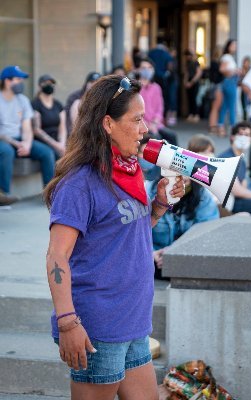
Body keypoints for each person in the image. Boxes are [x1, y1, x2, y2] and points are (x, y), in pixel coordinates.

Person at [43, 75, 185, 399]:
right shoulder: (80, 184)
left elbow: (125, 236)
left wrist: (159, 206)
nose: (144, 129)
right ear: (108, 124)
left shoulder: (130, 171)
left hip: (133, 319)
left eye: (144, 119)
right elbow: (56, 256)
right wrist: (67, 323)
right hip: (99, 324)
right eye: (136, 119)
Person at [147, 134, 219, 280]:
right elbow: (135, 234)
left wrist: (174, 251)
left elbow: (205, 234)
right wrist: (151, 254)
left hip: (187, 260)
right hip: (151, 260)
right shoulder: (148, 192)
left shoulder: (203, 198)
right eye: (176, 173)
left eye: (186, 174)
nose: (182, 179)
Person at [0, 65, 55, 205]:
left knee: (46, 152)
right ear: (7, 81)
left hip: (20, 140)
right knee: (6, 152)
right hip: (4, 140)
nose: (21, 83)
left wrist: (27, 143)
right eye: (18, 79)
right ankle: (3, 195)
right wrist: (15, 143)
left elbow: (27, 127)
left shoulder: (22, 100)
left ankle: (50, 195)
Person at [138, 58, 178, 145]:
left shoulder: (156, 87)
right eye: (144, 68)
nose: (147, 70)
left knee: (172, 136)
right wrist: (147, 124)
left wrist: (155, 122)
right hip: (141, 125)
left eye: (149, 68)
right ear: (139, 69)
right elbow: (134, 111)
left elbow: (159, 108)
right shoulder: (135, 88)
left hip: (156, 124)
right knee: (157, 139)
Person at [31, 74, 67, 158]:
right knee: (51, 154)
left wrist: (62, 143)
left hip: (58, 140)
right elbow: (36, 130)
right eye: (46, 83)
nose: (49, 85)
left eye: (51, 83)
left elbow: (62, 127)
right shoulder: (35, 104)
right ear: (40, 86)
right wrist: (56, 145)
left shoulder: (58, 105)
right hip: (42, 141)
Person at [217, 39, 239, 136]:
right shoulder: (227, 57)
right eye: (233, 45)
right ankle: (233, 128)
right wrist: (233, 72)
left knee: (225, 106)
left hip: (229, 82)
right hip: (230, 82)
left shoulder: (229, 57)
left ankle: (221, 127)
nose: (235, 47)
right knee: (231, 106)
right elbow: (222, 69)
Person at [183, 49, 202, 123]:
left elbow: (198, 73)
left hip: (194, 82)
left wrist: (191, 82)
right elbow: (186, 73)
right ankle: (191, 114)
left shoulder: (196, 63)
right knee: (190, 98)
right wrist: (185, 82)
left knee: (194, 98)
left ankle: (196, 114)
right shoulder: (188, 63)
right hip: (189, 81)